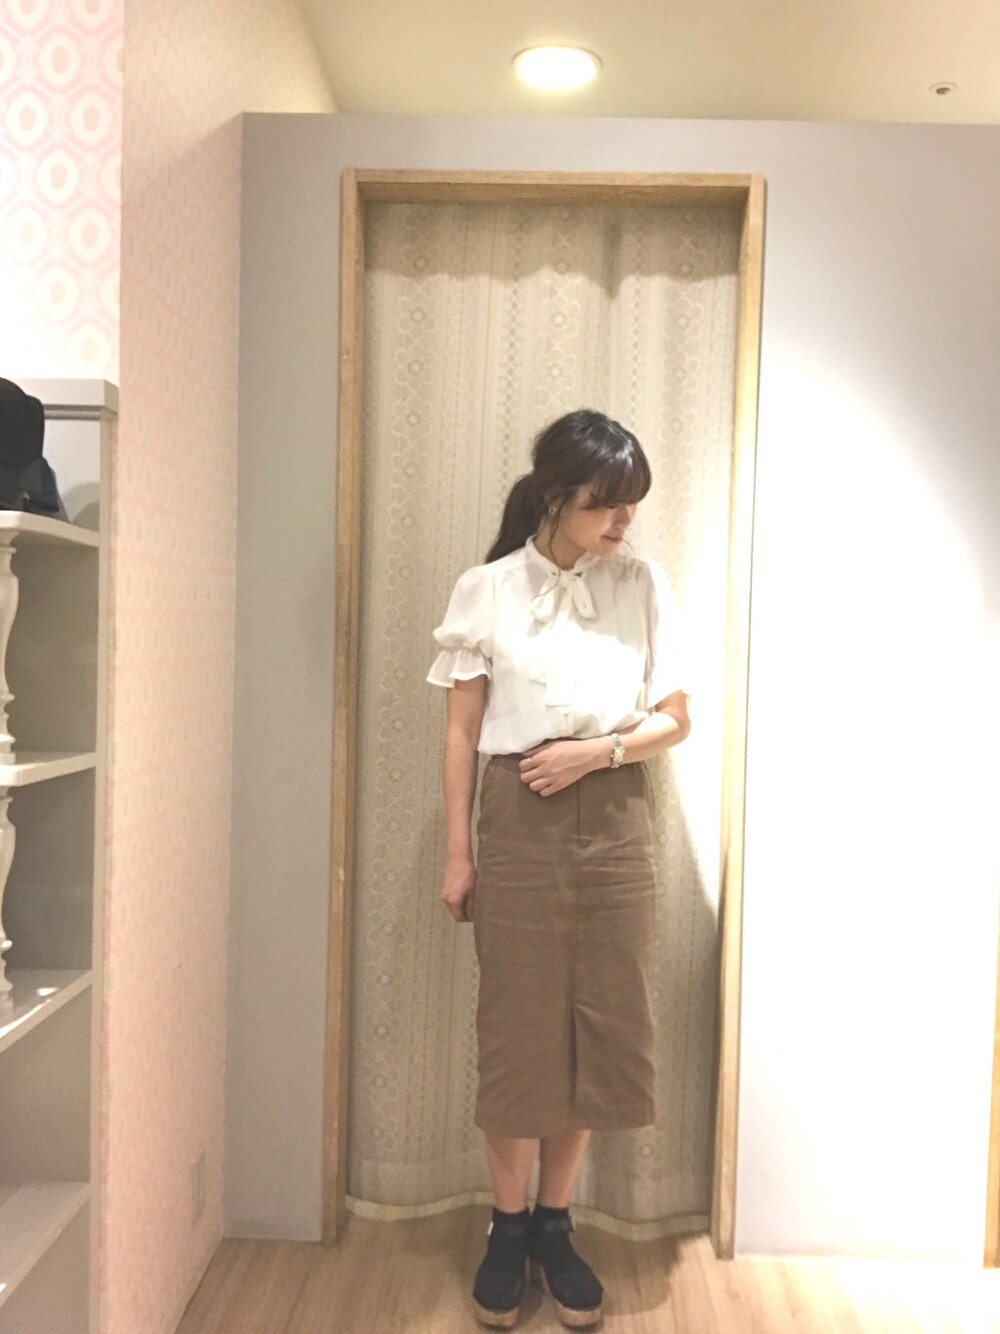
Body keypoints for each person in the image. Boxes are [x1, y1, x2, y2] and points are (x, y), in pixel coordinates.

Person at [426, 409, 692, 1328]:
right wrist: (458, 853)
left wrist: (596, 753)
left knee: (596, 1024)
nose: (623, 522)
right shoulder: (487, 589)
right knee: (520, 1029)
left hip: (617, 820)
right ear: (555, 495)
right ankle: (506, 1229)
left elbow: (675, 719)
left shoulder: (641, 584)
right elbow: (460, 735)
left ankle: (554, 1221)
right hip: (519, 818)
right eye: (606, 504)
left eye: (631, 505)